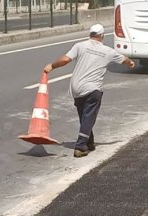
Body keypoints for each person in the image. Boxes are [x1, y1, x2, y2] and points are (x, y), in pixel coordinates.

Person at [43, 24, 136, 158]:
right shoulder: (108, 51)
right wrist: (131, 63)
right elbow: (125, 60)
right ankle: (80, 146)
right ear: (102, 36)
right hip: (92, 89)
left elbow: (65, 59)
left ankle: (89, 142)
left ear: (90, 34)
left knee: (85, 116)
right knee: (89, 116)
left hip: (76, 88)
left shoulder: (79, 46)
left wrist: (52, 66)